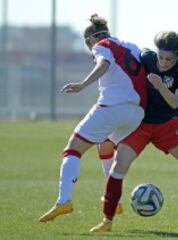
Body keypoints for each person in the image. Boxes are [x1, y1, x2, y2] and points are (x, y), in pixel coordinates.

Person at [90, 31, 178, 233]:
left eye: (169, 59)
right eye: (161, 58)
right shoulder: (147, 58)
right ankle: (107, 221)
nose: (164, 62)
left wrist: (159, 86)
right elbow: (125, 54)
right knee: (119, 166)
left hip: (169, 125)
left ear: (177, 57)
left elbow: (174, 101)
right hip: (141, 123)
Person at [38, 14, 147, 222]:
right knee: (105, 144)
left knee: (73, 148)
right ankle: (114, 200)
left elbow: (103, 64)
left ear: (91, 40)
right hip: (137, 113)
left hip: (113, 107)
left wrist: (83, 84)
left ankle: (64, 201)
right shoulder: (131, 46)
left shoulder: (101, 45)